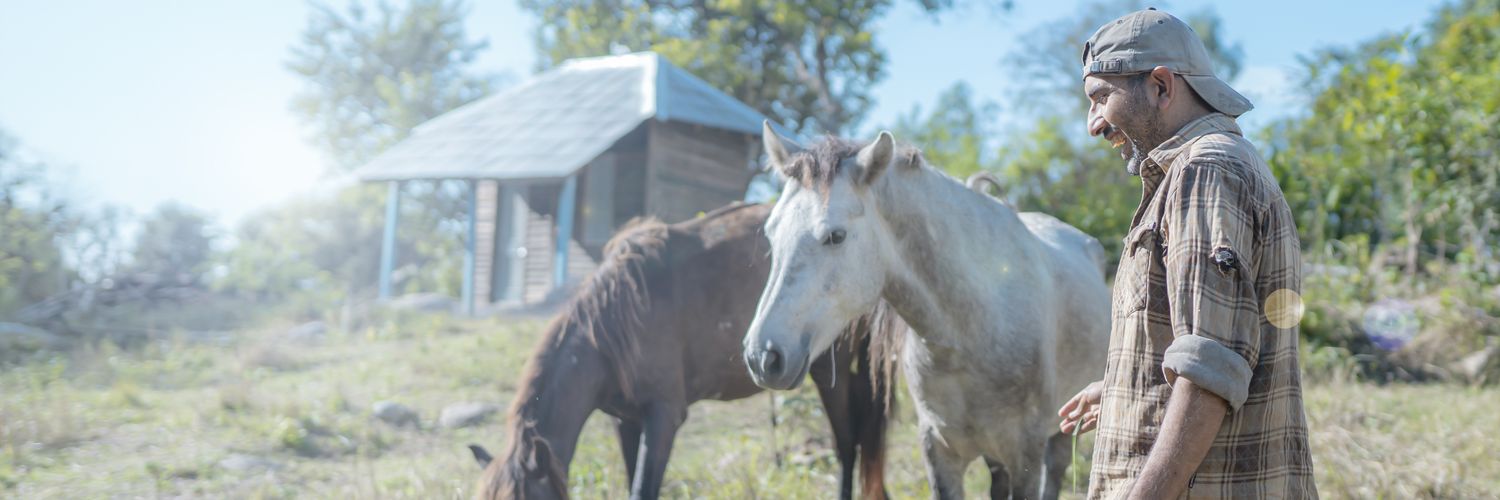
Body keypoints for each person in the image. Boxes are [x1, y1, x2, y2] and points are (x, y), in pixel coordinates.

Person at [1056, 8, 1318, 499]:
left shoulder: (1204, 171)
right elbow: (1200, 342)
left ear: (1160, 85)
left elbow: (1208, 369)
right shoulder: (1202, 170)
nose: (1094, 124)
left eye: (1100, 98)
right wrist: (1122, 394)